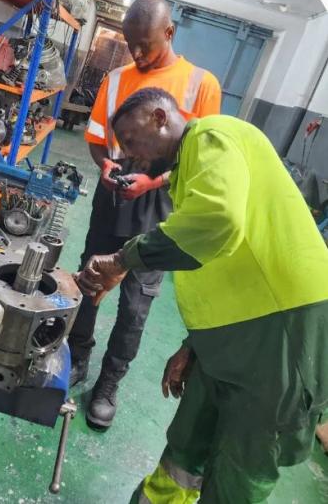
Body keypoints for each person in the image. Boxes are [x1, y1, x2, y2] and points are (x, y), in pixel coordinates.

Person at [75, 87, 328, 504]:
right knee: (186, 448)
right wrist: (194, 344)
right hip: (231, 333)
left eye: (132, 141)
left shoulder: (213, 135)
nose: (131, 155)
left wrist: (123, 259)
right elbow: (219, 260)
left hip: (283, 330)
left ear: (160, 117)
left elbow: (218, 222)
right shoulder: (189, 173)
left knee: (241, 468)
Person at [68, 0, 221, 429]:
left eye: (145, 45)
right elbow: (97, 137)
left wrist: (153, 182)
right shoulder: (116, 78)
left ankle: (108, 384)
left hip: (160, 205)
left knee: (136, 305)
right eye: (130, 43)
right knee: (91, 279)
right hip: (114, 194)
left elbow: (196, 156)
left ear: (169, 32)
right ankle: (77, 356)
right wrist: (105, 165)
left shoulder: (201, 84)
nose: (136, 53)